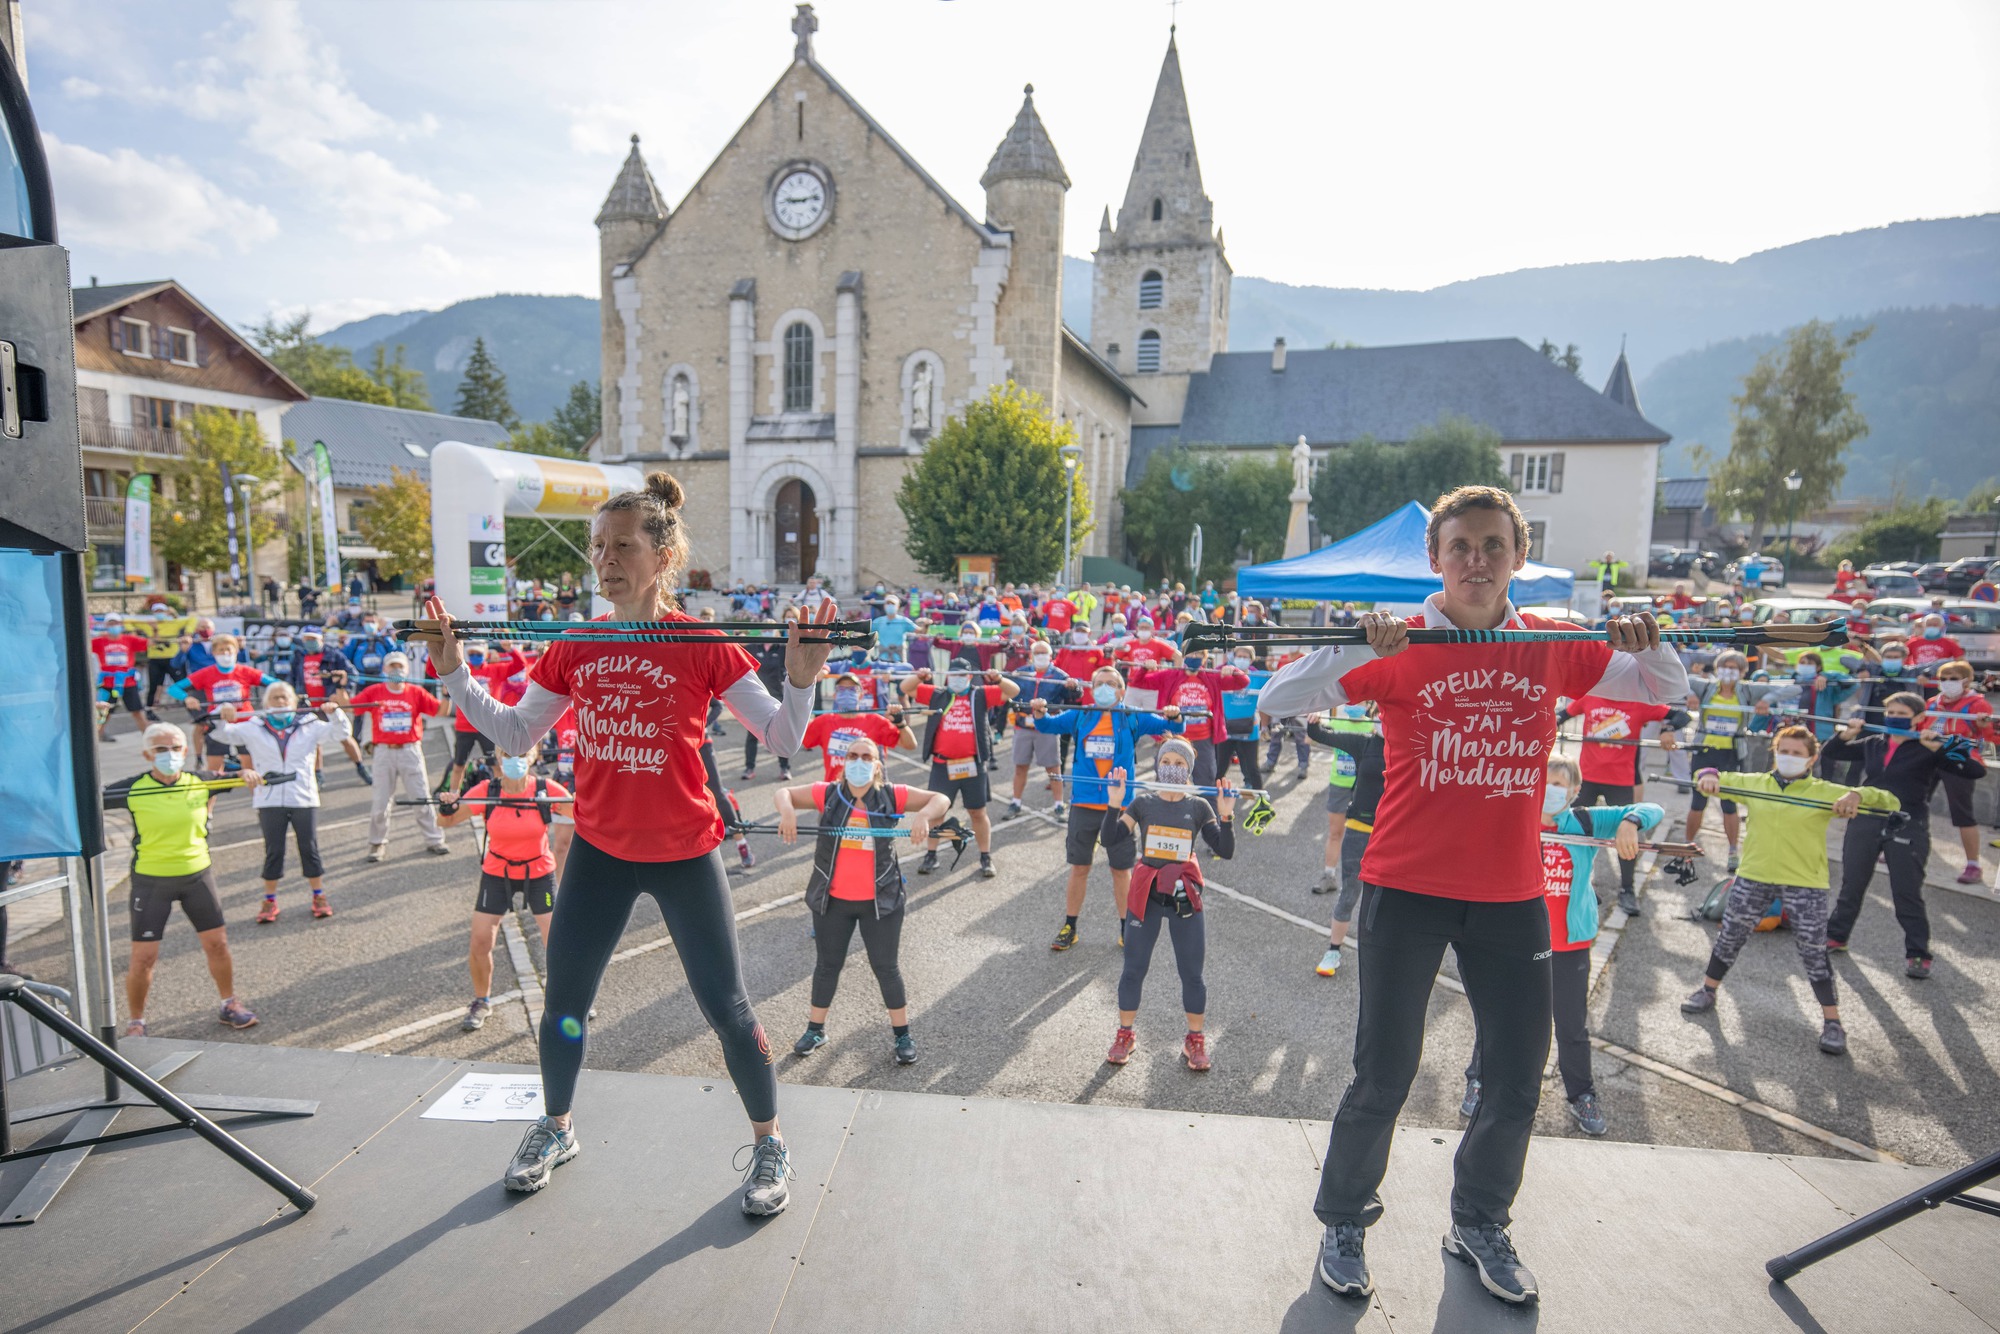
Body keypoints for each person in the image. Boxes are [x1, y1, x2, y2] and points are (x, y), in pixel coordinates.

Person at [1259, 484, 1688, 1306]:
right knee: (1384, 1071)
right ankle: (1344, 1219)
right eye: (1460, 547)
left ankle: (1480, 1220)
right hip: (1404, 885)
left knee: (1519, 1076)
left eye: (1494, 545)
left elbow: (1661, 689)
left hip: (1510, 893)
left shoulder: (1553, 643)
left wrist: (1653, 641)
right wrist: (1358, 646)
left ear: (1518, 558)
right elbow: (1277, 699)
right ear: (1435, 559)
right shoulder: (1404, 640)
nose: (1477, 561)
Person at [431, 470, 829, 1212]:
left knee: (729, 1010)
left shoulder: (704, 644)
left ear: (663, 557)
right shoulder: (577, 644)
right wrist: (454, 673)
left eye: (621, 546)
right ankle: (556, 1125)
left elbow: (782, 735)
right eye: (597, 547)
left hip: (685, 853)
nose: (605, 560)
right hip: (601, 855)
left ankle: (770, 1143)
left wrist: (801, 680)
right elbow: (517, 732)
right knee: (564, 1007)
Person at [1463, 757, 1662, 1136]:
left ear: (1574, 791)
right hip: (1516, 941)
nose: (1551, 789)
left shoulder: (1585, 822)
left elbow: (1652, 808)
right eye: (1545, 781)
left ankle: (1581, 1095)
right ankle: (1479, 1079)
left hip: (1569, 943)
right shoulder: (1516, 813)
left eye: (1560, 784)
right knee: (1498, 1019)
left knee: (1571, 1026)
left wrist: (1629, 822)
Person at [1680, 726, 1897, 1052]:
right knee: (1730, 936)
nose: (1789, 758)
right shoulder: (1755, 784)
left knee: (1814, 951)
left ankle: (1833, 1023)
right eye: (1784, 751)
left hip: (1805, 882)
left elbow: (1890, 800)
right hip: (1754, 875)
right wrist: (1709, 774)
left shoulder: (1824, 790)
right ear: (1774, 752)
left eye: (1798, 754)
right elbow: (1708, 772)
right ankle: (1708, 990)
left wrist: (1858, 795)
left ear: (1812, 758)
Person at [775, 735, 946, 1064]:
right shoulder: (828, 793)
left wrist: (923, 816)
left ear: (877, 764)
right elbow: (783, 792)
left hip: (880, 901)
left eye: (866, 757)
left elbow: (940, 798)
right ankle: (815, 1030)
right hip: (832, 901)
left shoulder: (891, 795)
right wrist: (787, 812)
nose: (859, 761)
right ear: (844, 761)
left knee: (886, 969)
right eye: (853, 755)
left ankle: (902, 1036)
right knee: (827, 967)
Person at [103, 723, 259, 1035]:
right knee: (144, 958)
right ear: (147, 754)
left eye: (175, 748)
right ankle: (136, 1022)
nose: (170, 754)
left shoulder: (201, 781)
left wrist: (246, 774)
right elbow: (87, 800)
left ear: (185, 751)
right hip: (151, 881)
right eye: (161, 749)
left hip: (197, 876)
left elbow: (238, 777)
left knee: (217, 945)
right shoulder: (130, 788)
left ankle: (229, 1003)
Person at [1097, 742, 1235, 1071]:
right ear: (1158, 765)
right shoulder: (1143, 803)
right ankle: (1125, 1034)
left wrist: (1226, 814)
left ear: (1188, 769)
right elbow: (1110, 838)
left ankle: (1195, 1040)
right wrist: (1114, 806)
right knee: (1133, 969)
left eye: (1178, 762)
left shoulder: (1199, 806)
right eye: (1166, 761)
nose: (1171, 767)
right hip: (1147, 896)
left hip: (1183, 897)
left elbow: (1225, 850)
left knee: (1192, 974)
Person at [1823, 695, 1985, 975]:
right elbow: (1832, 752)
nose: (1894, 716)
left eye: (1902, 712)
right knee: (1852, 884)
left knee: (1906, 892)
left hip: (1909, 822)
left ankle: (1918, 953)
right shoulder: (1875, 743)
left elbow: (1975, 770)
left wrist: (1944, 747)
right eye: (1890, 711)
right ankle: (1836, 936)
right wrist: (1845, 735)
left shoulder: (1929, 745)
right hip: (1867, 818)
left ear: (1919, 718)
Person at [1029, 667, 1185, 950]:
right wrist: (1039, 712)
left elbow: (1173, 729)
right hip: (1084, 803)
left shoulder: (1132, 716)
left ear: (1121, 691)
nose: (1103, 688)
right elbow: (1048, 726)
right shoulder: (1081, 714)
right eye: (1098, 684)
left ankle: (1127, 928)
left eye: (1110, 684)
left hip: (1120, 806)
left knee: (1120, 870)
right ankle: (1070, 926)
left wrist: (1175, 716)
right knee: (1079, 867)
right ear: (1091, 688)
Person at [434, 751, 574, 1030]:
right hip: (497, 872)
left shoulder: (546, 789)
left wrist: (587, 797)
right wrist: (447, 807)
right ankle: (481, 1001)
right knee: (480, 940)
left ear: (533, 757)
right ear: (497, 758)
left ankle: (568, 1002)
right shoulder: (488, 790)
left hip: (539, 873)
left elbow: (583, 814)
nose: (514, 759)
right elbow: (445, 822)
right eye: (507, 754)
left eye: (522, 753)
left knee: (557, 943)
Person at [209, 684, 351, 923]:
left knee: (309, 848)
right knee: (274, 850)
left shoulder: (309, 724)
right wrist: (222, 715)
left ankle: (319, 895)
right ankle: (269, 900)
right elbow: (221, 734)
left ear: (294, 703)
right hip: (269, 798)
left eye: (284, 697)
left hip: (303, 796)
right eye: (274, 698)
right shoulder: (253, 726)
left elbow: (341, 733)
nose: (279, 702)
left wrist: (334, 713)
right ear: (266, 704)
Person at [1559, 693, 1682, 915]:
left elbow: (1680, 715)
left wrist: (1668, 729)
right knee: (1570, 831)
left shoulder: (1639, 702)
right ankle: (1579, 885)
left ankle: (1627, 889)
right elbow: (1563, 714)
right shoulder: (1590, 698)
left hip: (1620, 780)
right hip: (1586, 778)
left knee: (1626, 838)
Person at [899, 662, 1018, 878]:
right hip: (943, 766)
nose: (957, 679)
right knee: (937, 813)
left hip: (972, 765)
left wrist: (998, 678)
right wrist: (919, 676)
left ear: (970, 677)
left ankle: (985, 856)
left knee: (978, 812)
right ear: (947, 677)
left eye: (962, 675)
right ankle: (931, 854)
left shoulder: (980, 695)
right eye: (953, 674)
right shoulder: (938, 694)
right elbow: (906, 688)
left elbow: (1014, 691)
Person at [348, 650, 451, 862]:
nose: (396, 670)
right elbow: (352, 707)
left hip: (410, 750)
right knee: (380, 801)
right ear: (385, 669)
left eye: (400, 667)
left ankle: (434, 839)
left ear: (406, 670)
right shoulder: (374, 691)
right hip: (384, 751)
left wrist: (448, 694)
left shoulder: (416, 692)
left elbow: (440, 711)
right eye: (392, 667)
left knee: (421, 796)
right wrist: (340, 687)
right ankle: (377, 844)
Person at [1308, 705, 1380, 976]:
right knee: (1350, 891)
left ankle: (1382, 957)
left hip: (1393, 833)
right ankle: (1333, 951)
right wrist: (1314, 722)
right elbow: (1321, 735)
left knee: (1387, 900)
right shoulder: (1364, 743)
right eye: (1381, 713)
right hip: (1359, 828)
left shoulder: (1411, 745)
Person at [1683, 650, 1769, 872]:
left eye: (1734, 668)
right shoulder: (1708, 687)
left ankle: (1732, 850)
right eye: (1725, 666)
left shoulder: (1747, 689)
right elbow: (1682, 680)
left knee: (1729, 805)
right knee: (1698, 801)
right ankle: (1686, 847)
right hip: (1704, 751)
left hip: (1730, 754)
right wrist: (1691, 694)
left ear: (1742, 672)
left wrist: (1766, 700)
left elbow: (1791, 688)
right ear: (1717, 668)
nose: (1728, 671)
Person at [168, 634, 276, 776]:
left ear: (236, 651)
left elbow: (276, 684)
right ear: (214, 653)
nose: (225, 653)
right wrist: (186, 698)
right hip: (217, 725)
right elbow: (173, 688)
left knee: (251, 771)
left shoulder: (246, 671)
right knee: (214, 773)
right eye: (220, 650)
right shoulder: (206, 673)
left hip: (245, 724)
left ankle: (256, 796)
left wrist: (273, 699)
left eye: (228, 649)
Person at [1927, 660, 1995, 885]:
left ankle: (1973, 864)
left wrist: (1983, 726)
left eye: (1953, 679)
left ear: (1966, 680)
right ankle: (1903, 845)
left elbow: (1991, 740)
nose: (1947, 683)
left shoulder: (1978, 705)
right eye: (1943, 678)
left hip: (1959, 761)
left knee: (1962, 813)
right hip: (1929, 759)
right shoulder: (1931, 703)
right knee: (1912, 804)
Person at [798, 672, 917, 781]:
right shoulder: (823, 722)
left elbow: (910, 745)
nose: (846, 693)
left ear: (861, 695)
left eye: (852, 689)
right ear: (835, 695)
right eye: (841, 689)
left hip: (869, 789)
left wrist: (900, 723)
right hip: (835, 790)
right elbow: (795, 739)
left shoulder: (875, 721)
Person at [92, 612, 152, 742]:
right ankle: (96, 737)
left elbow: (149, 643)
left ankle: (149, 737)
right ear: (106, 625)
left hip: (127, 681)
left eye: (116, 623)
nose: (114, 626)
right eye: (111, 623)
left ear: (121, 625)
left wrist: (152, 628)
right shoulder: (99, 641)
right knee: (104, 711)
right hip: (108, 682)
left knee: (137, 711)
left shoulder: (130, 640)